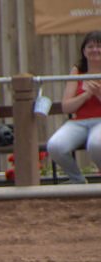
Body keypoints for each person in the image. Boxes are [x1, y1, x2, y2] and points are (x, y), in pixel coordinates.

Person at [46, 30, 101, 184]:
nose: (95, 50)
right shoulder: (77, 71)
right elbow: (66, 107)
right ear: (84, 51)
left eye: (99, 46)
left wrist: (98, 93)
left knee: (96, 144)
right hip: (79, 122)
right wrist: (85, 95)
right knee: (55, 146)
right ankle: (78, 180)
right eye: (90, 47)